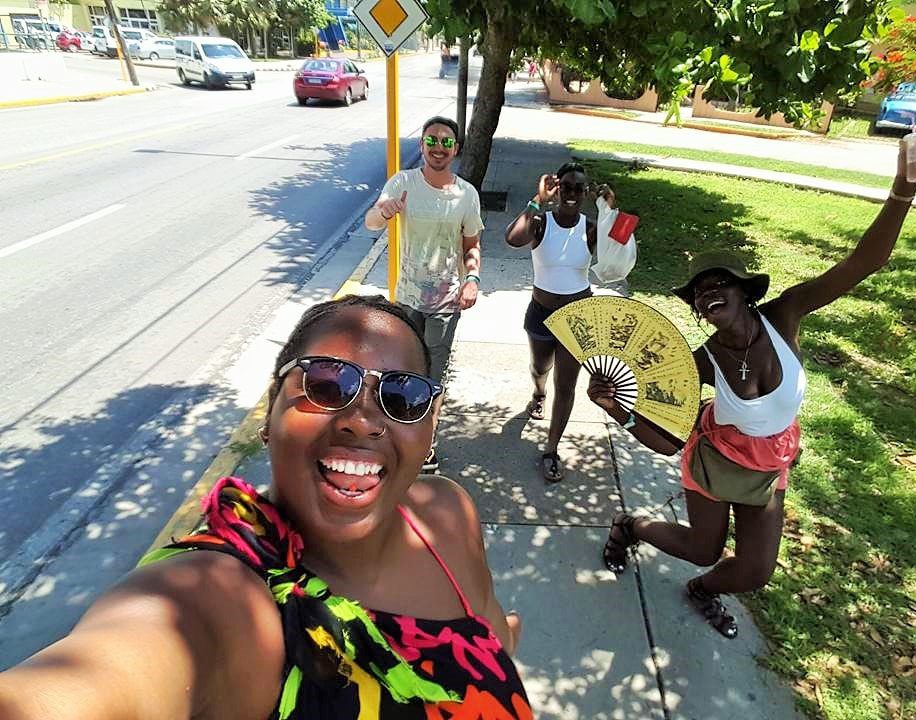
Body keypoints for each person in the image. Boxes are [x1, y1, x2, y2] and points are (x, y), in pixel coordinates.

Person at [0, 294, 528, 720]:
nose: (363, 419)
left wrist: (499, 645)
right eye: (326, 383)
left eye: (404, 397)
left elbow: (489, 638)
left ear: (429, 427)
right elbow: (96, 680)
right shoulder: (214, 600)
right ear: (270, 410)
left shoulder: (447, 514)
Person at [588, 116, 916, 639]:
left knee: (757, 571)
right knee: (702, 548)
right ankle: (631, 526)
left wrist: (904, 186)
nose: (706, 293)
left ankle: (703, 590)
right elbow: (669, 439)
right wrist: (617, 408)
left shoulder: (786, 316)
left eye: (718, 283)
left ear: (744, 291)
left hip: (771, 461)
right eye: (697, 292)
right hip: (716, 461)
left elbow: (862, 264)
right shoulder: (701, 360)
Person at [364, 116, 483, 474]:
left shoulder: (466, 194)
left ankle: (426, 447)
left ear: (456, 149)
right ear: (422, 145)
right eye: (432, 140)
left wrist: (472, 279)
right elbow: (371, 221)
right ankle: (396, 437)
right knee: (400, 369)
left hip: (447, 302)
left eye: (447, 142)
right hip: (407, 298)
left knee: (433, 376)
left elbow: (472, 244)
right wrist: (383, 212)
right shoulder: (403, 183)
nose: (438, 147)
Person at [505, 162, 615, 482]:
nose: (571, 194)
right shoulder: (540, 222)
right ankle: (538, 394)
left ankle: (552, 449)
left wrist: (610, 211)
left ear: (585, 194)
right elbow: (512, 238)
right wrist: (537, 202)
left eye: (578, 189)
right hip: (541, 313)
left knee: (566, 385)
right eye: (565, 187)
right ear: (557, 189)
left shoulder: (591, 227)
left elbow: (619, 253)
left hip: (578, 318)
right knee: (541, 368)